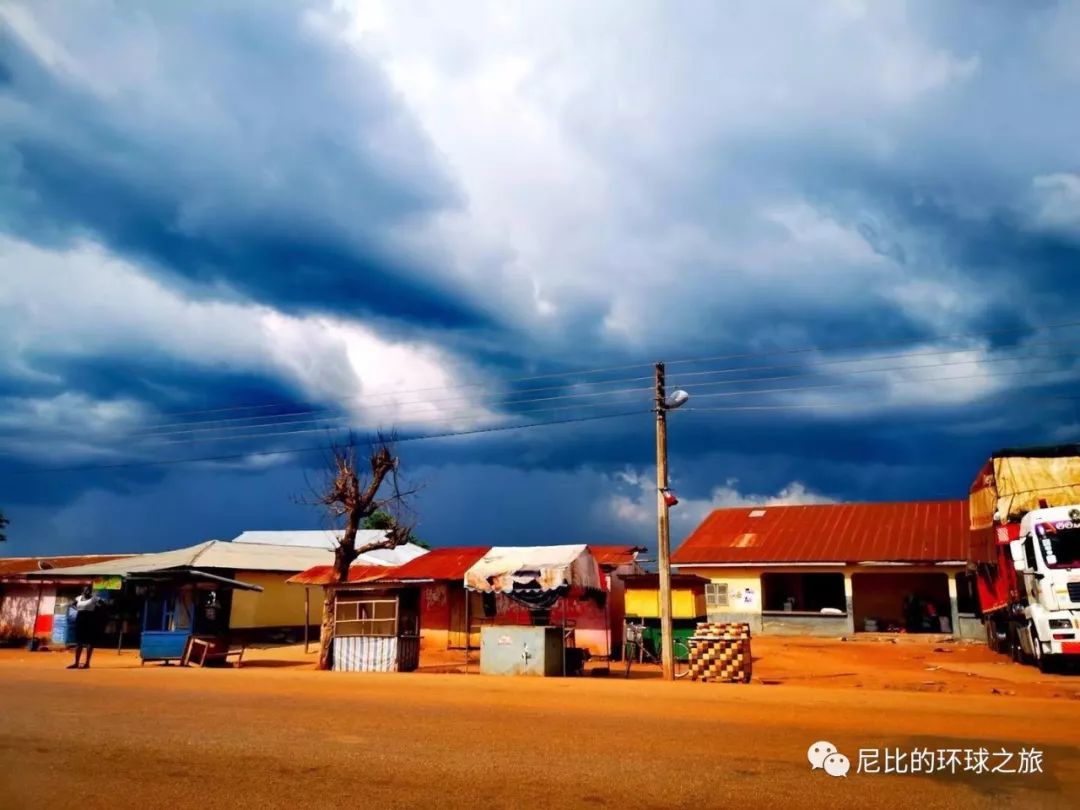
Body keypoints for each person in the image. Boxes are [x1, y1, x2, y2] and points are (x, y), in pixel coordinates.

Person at [68, 585, 101, 669]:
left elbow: (103, 605)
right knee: (79, 642)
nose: (87, 591)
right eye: (86, 590)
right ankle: (76, 663)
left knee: (89, 642)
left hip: (90, 619)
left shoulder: (94, 598)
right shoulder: (78, 598)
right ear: (82, 591)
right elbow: (71, 604)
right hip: (80, 619)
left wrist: (95, 610)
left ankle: (87, 663)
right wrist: (76, 608)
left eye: (89, 590)